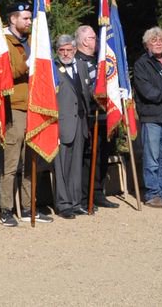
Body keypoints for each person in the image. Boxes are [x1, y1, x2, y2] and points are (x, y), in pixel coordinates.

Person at [0, 4, 49, 225]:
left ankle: (29, 207)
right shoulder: (3, 42)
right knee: (12, 162)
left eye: (30, 18)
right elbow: (10, 70)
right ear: (13, 19)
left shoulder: (30, 41)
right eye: (25, 18)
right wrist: (31, 61)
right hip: (15, 106)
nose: (29, 22)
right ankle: (6, 209)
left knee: (31, 160)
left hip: (33, 105)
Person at [133, 27, 162, 208]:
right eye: (154, 41)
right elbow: (147, 92)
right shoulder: (141, 64)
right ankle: (152, 194)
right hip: (152, 116)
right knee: (152, 159)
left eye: (161, 40)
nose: (158, 43)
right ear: (147, 45)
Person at [74, 25, 117, 210]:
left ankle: (99, 192)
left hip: (105, 116)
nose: (97, 41)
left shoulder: (101, 61)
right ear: (84, 41)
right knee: (88, 157)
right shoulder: (77, 61)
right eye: (93, 38)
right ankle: (85, 196)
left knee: (102, 155)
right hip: (88, 117)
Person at [53, 35, 93, 219]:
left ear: (75, 50)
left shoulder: (82, 66)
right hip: (62, 123)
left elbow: (87, 93)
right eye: (62, 50)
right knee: (62, 166)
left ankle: (76, 202)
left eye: (69, 49)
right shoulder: (53, 68)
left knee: (77, 164)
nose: (66, 53)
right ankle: (63, 204)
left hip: (80, 123)